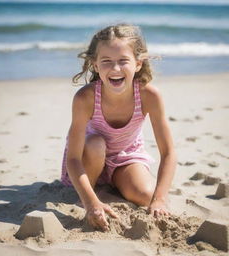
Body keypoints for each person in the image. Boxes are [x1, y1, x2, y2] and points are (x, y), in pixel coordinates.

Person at [61, 24, 176, 231]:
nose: (115, 69)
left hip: (125, 157)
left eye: (123, 61)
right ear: (95, 65)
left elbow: (168, 153)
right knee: (97, 143)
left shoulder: (149, 96)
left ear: (138, 64)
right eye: (106, 62)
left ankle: (117, 181)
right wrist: (90, 203)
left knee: (146, 196)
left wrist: (159, 199)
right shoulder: (84, 98)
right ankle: (93, 190)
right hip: (89, 158)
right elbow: (73, 158)